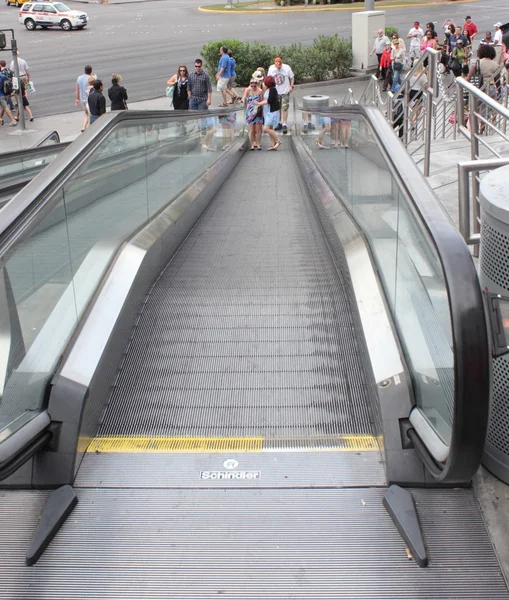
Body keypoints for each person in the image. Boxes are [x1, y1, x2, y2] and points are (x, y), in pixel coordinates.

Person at [267, 57, 294, 135]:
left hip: (285, 91)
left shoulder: (286, 67)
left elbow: (292, 77)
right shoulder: (271, 68)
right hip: (276, 91)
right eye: (277, 66)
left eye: (280, 66)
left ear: (281, 63)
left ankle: (284, 123)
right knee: (277, 108)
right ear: (275, 64)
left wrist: (291, 86)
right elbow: (269, 79)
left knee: (284, 108)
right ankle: (279, 123)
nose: (278, 67)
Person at [254, 75, 281, 151]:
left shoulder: (273, 90)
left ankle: (278, 141)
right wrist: (259, 103)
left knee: (265, 128)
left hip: (272, 111)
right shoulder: (268, 90)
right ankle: (273, 144)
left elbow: (269, 101)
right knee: (270, 128)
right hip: (268, 110)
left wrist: (259, 104)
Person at [242, 78, 263, 150]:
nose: (253, 87)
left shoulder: (260, 91)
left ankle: (258, 143)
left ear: (257, 85)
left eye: (255, 85)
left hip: (258, 111)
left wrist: (262, 113)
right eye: (252, 85)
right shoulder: (248, 90)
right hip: (250, 112)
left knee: (258, 129)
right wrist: (242, 100)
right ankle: (252, 143)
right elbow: (244, 98)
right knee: (251, 129)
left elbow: (262, 101)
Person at [76, 65, 94, 132]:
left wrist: (77, 99)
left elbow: (77, 89)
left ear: (85, 70)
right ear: (91, 71)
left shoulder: (79, 78)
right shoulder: (91, 79)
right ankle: (89, 127)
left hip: (82, 99)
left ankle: (83, 127)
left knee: (86, 113)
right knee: (91, 113)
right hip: (89, 99)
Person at [0, 61, 17, 127]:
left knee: (5, 107)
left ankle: (13, 120)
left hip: (1, 95)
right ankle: (0, 119)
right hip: (7, 94)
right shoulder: (3, 75)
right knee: (3, 108)